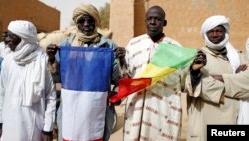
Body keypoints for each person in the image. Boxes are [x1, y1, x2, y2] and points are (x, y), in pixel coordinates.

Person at [46, 4, 125, 141]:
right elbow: (57, 78)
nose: (86, 24)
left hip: (97, 109)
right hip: (72, 109)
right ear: (77, 23)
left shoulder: (108, 46)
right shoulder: (67, 46)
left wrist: (122, 61)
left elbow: (119, 80)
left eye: (90, 20)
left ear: (96, 21)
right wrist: (52, 59)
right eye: (82, 21)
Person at [123, 5, 189, 140]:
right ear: (145, 21)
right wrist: (120, 60)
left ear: (164, 23)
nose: (153, 22)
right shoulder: (133, 44)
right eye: (149, 19)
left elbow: (184, 82)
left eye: (157, 19)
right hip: (136, 109)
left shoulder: (176, 48)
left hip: (165, 111)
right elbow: (126, 77)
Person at [185, 15, 249, 141]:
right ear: (205, 34)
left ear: (225, 32)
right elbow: (190, 84)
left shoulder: (237, 57)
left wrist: (220, 78)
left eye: (219, 30)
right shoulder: (196, 57)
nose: (215, 35)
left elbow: (247, 82)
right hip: (205, 124)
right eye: (211, 31)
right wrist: (235, 80)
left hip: (231, 125)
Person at [0, 20, 56, 141]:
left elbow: (50, 97)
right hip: (9, 124)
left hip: (34, 126)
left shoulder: (42, 62)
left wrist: (48, 128)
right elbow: (1, 93)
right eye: (7, 35)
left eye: (11, 36)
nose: (7, 39)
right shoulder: (8, 61)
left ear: (24, 39)